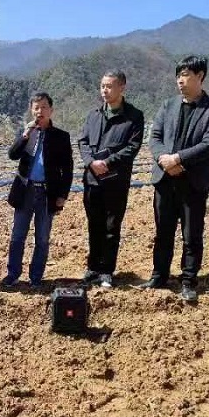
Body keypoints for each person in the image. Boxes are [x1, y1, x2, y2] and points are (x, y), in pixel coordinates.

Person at [141, 56, 209, 302]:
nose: (180, 80)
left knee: (192, 234)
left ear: (200, 76)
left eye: (186, 75)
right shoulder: (168, 105)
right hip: (165, 180)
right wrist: (164, 160)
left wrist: (177, 159)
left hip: (193, 182)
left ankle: (189, 280)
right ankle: (159, 275)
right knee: (163, 231)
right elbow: (155, 138)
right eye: (178, 75)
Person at [78, 70, 144, 288]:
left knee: (111, 227)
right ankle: (92, 267)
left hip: (116, 181)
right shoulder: (94, 115)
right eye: (102, 86)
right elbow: (83, 142)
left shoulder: (134, 116)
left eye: (109, 86)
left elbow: (132, 147)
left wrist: (107, 162)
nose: (104, 90)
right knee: (94, 225)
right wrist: (91, 162)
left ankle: (106, 270)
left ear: (121, 88)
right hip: (92, 180)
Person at [1, 92, 73, 288]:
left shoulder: (61, 136)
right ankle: (13, 274)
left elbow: (67, 169)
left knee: (42, 238)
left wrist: (62, 195)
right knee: (18, 235)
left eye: (44, 107)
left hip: (47, 193)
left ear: (51, 110)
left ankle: (36, 277)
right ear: (31, 110)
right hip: (25, 190)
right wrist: (25, 136)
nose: (40, 111)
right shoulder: (26, 131)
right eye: (36, 108)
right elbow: (12, 155)